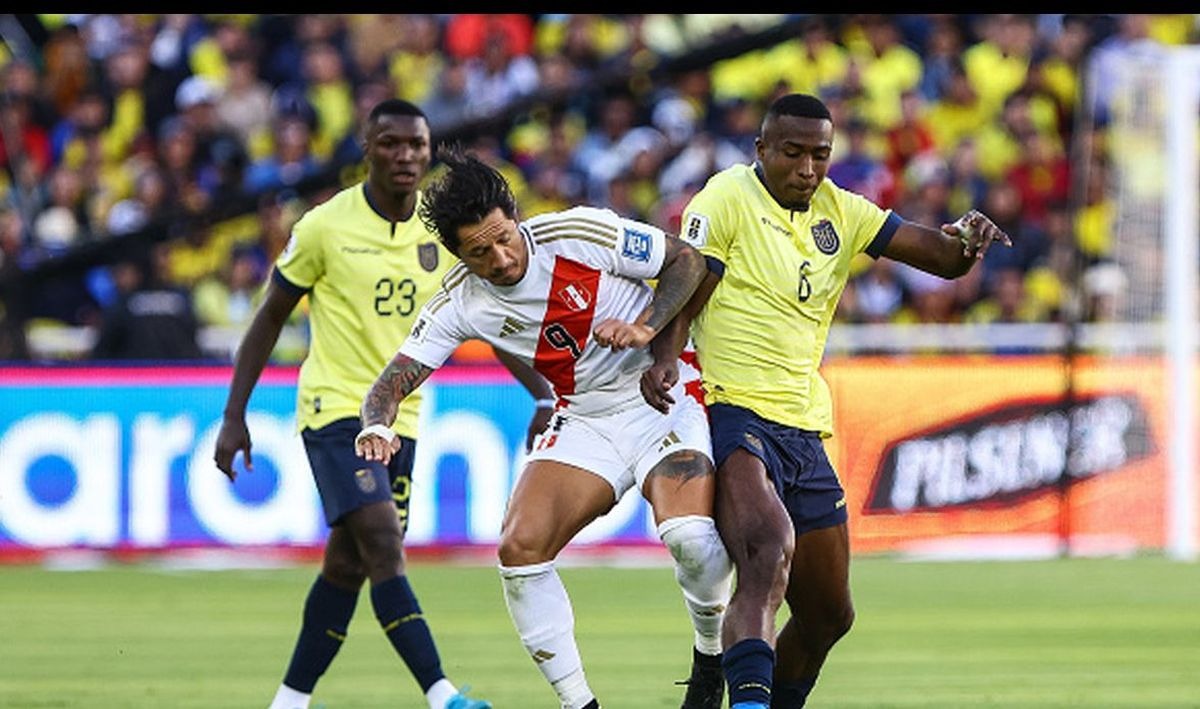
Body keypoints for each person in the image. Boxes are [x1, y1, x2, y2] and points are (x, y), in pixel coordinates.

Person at [641, 93, 1012, 709]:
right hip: (733, 412)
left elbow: (940, 258)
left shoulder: (843, 211)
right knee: (765, 554)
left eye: (820, 155)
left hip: (805, 427)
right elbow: (691, 279)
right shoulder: (725, 197)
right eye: (793, 153)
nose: (809, 169)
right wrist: (662, 358)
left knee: (828, 616)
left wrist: (967, 238)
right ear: (762, 150)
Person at [355, 145, 735, 709]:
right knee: (519, 547)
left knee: (690, 538)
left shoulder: (580, 231)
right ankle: (579, 705)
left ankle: (710, 662)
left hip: (665, 395)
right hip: (585, 415)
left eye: (504, 238)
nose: (502, 260)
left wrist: (648, 330)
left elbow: (687, 261)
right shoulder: (461, 301)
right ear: (458, 255)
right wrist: (376, 426)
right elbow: (389, 384)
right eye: (479, 253)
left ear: (515, 214)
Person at [213, 99, 552, 709]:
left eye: (417, 145)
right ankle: (443, 694)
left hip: (406, 417)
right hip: (337, 409)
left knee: (349, 564)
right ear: (367, 149)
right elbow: (268, 318)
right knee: (385, 547)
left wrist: (542, 391)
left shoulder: (444, 234)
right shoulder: (324, 226)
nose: (406, 156)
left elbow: (485, 321)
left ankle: (288, 702)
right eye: (391, 143)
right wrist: (235, 414)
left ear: (428, 150)